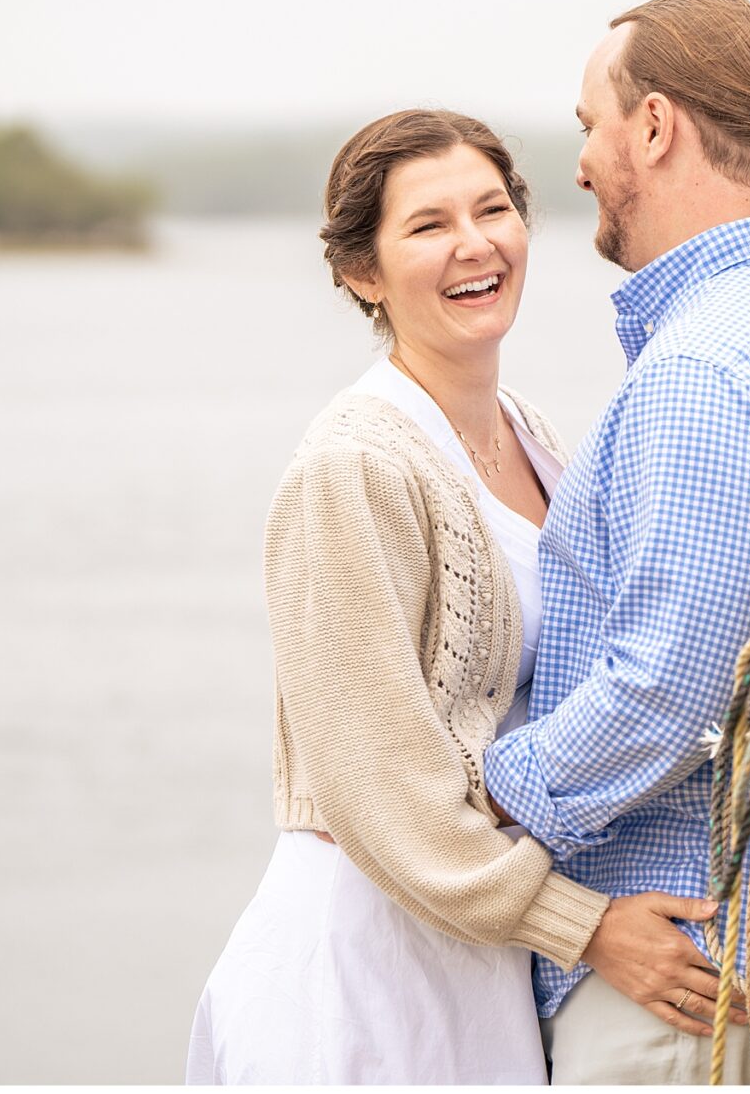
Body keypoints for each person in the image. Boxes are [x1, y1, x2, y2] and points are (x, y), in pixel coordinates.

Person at [187, 110, 720, 1084]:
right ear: (361, 271)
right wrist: (586, 925)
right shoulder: (352, 466)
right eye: (429, 226)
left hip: (481, 948)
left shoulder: (531, 431)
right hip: (366, 957)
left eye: (492, 209)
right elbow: (379, 786)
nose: (475, 244)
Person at [479, 0, 750, 1084]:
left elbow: (670, 685)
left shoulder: (701, 369)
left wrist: (483, 792)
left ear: (651, 128)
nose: (576, 167)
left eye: (585, 127)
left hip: (680, 975)